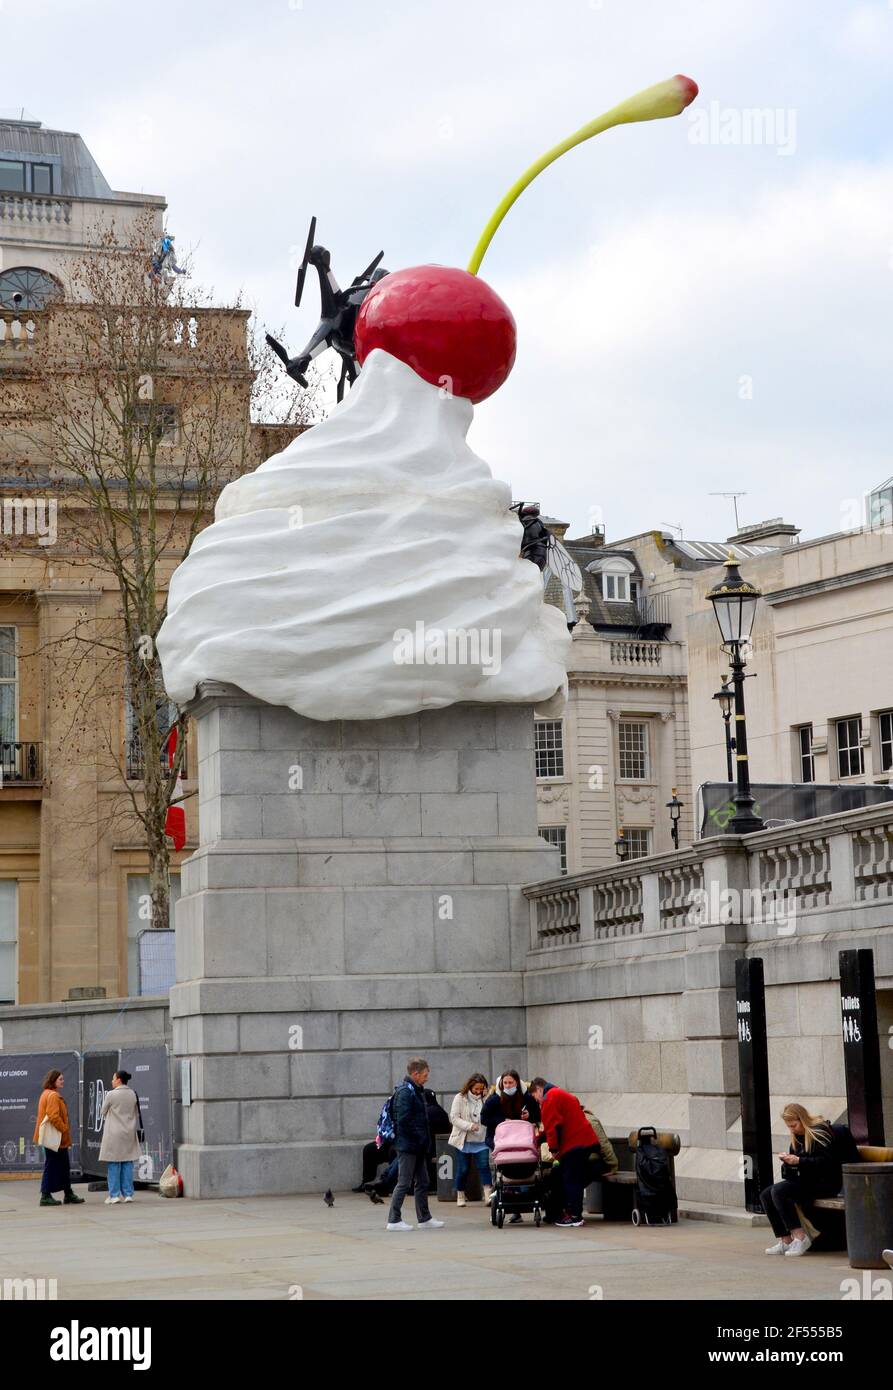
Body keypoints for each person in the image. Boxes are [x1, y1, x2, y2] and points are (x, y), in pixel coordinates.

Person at [761, 1103, 858, 1257]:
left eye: (794, 1125)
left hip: (827, 1183)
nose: (792, 1129)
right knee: (766, 1194)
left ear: (802, 1119)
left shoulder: (819, 1133)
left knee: (779, 1191)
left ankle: (800, 1237)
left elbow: (826, 1163)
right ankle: (786, 1240)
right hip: (808, 1181)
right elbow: (794, 1172)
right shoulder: (797, 1138)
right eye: (789, 1127)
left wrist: (799, 1161)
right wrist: (788, 1162)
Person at [529, 1077, 606, 1228]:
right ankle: (558, 1212)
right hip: (583, 1141)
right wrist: (538, 1139)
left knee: (572, 1180)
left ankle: (575, 1215)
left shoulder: (549, 1098)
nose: (537, 1101)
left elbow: (553, 1126)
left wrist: (553, 1149)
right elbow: (559, 1124)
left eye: (535, 1097)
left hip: (574, 1145)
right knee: (563, 1176)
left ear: (538, 1089)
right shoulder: (561, 1094)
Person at [386, 1058, 445, 1232]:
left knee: (423, 1181)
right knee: (404, 1182)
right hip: (408, 1145)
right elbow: (403, 1121)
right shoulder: (406, 1092)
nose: (427, 1078)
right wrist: (419, 1137)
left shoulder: (415, 1090)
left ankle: (424, 1218)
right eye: (425, 1074)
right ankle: (394, 1219)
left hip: (417, 1145)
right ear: (415, 1074)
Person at [482, 1070, 541, 1222]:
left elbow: (538, 1115)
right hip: (500, 1141)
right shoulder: (495, 1099)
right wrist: (503, 1120)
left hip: (522, 1142)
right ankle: (505, 1202)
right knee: (502, 1173)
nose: (508, 1086)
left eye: (511, 1083)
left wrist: (530, 1116)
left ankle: (520, 1207)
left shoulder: (526, 1098)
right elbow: (484, 1118)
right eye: (505, 1083)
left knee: (523, 1173)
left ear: (517, 1083)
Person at [33, 1069, 84, 1207]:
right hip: (55, 1139)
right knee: (52, 1166)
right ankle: (45, 1195)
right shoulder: (53, 1096)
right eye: (60, 1079)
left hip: (54, 1139)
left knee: (62, 1166)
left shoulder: (46, 1094)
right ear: (53, 1080)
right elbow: (54, 1116)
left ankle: (68, 1193)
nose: (63, 1081)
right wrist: (64, 1129)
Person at [99, 1069, 142, 1205]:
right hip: (128, 1132)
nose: (112, 1081)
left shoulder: (111, 1095)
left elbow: (102, 1111)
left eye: (113, 1078)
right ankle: (128, 1193)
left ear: (118, 1080)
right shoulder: (133, 1094)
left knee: (114, 1163)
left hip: (113, 1133)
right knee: (127, 1163)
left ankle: (114, 1195)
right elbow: (136, 1113)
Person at [449, 1073, 492, 1208]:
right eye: (476, 1089)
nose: (478, 1092)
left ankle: (488, 1195)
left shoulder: (487, 1098)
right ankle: (460, 1194)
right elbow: (454, 1118)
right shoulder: (460, 1098)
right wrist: (469, 1126)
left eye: (481, 1089)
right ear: (470, 1087)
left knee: (484, 1166)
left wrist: (487, 1097)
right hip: (464, 1139)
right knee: (463, 1168)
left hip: (481, 1139)